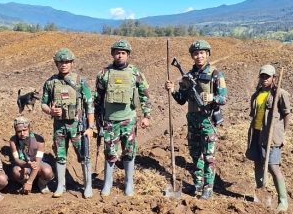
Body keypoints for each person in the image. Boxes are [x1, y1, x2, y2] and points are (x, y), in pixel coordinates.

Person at [164, 40, 227, 200]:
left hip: (207, 120)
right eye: (196, 53)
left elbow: (224, 98)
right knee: (194, 154)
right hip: (192, 120)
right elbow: (181, 99)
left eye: (202, 53)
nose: (199, 56)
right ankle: (198, 183)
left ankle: (208, 189)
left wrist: (212, 97)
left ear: (207, 54)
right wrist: (172, 91)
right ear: (192, 56)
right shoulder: (189, 76)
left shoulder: (215, 74)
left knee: (209, 156)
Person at [94, 39, 152, 197]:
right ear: (113, 54)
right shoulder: (104, 74)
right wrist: (97, 119)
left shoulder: (135, 73)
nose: (120, 55)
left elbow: (144, 95)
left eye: (123, 53)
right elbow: (97, 99)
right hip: (110, 120)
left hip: (129, 120)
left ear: (128, 55)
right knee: (110, 152)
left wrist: (147, 115)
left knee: (129, 151)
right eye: (117, 53)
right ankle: (107, 183)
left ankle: (128, 183)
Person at [40, 48, 96, 198]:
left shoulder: (80, 81)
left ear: (72, 63)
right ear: (56, 64)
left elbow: (90, 105)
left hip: (78, 127)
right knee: (60, 156)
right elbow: (43, 104)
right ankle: (60, 185)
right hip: (59, 127)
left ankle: (88, 186)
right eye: (60, 62)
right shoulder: (51, 83)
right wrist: (50, 112)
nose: (63, 65)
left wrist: (91, 127)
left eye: (66, 62)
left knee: (84, 156)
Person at [245, 64, 291, 211]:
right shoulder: (257, 94)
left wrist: (282, 132)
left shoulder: (280, 93)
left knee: (272, 166)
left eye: (268, 77)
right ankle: (261, 193)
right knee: (258, 163)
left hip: (271, 135)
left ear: (274, 78)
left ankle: (283, 201)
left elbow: (286, 114)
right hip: (257, 132)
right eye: (262, 76)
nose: (264, 79)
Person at [8, 116, 54, 194]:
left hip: (38, 163)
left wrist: (30, 182)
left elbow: (38, 162)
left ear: (29, 128)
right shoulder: (13, 141)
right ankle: (24, 183)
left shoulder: (39, 140)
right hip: (23, 164)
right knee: (16, 171)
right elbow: (16, 159)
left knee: (48, 171)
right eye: (19, 131)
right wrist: (26, 164)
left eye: (24, 130)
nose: (22, 134)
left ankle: (41, 183)